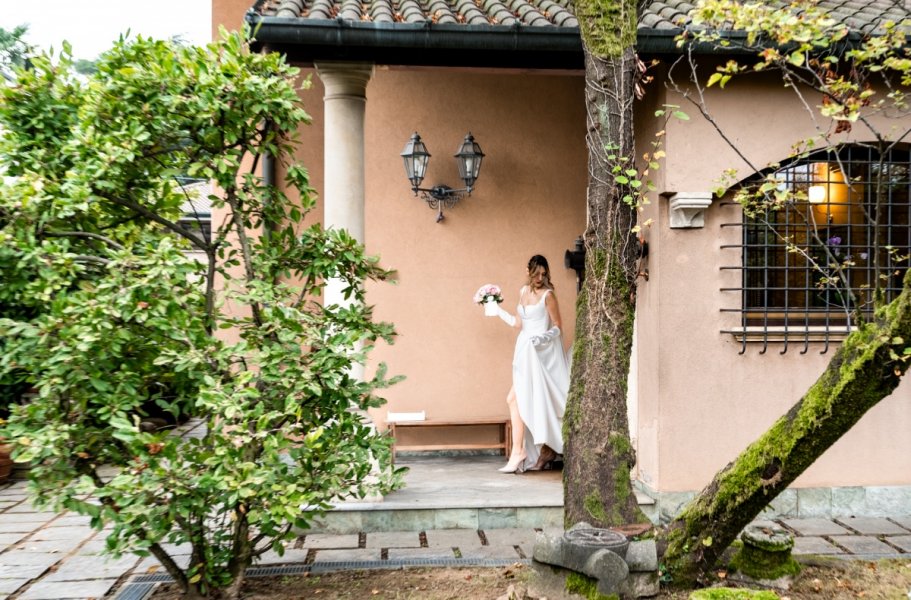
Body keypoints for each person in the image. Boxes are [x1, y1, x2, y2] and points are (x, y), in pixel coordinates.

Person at [492, 255, 570, 474]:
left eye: (544, 274)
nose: (540, 278)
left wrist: (542, 339)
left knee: (515, 399)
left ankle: (519, 452)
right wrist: (497, 310)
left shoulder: (548, 295)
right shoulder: (522, 292)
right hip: (523, 349)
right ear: (528, 270)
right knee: (516, 399)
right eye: (536, 273)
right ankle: (520, 451)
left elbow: (557, 326)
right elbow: (519, 323)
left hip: (537, 353)